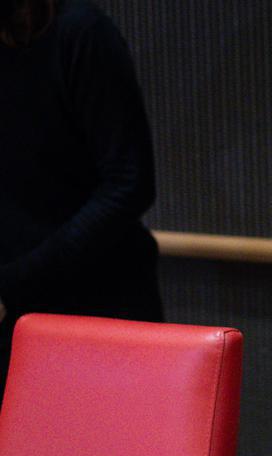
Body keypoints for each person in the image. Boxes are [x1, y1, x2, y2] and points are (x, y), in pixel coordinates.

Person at [0, 0, 163, 401]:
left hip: (95, 314)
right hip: (15, 319)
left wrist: (13, 285)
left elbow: (129, 184)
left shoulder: (80, 33)